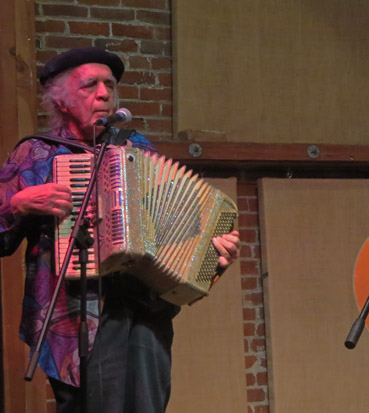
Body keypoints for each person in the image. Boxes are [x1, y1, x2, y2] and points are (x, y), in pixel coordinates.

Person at [0, 47, 241, 412]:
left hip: (146, 310)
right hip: (76, 314)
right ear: (61, 100)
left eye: (109, 85)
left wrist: (213, 254)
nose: (103, 94)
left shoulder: (140, 150)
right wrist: (18, 204)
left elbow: (178, 229)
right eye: (90, 85)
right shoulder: (37, 154)